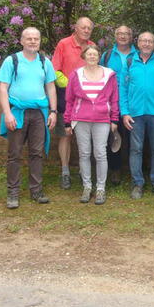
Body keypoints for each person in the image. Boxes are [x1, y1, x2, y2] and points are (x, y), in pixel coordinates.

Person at [0, 27, 57, 209]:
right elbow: (2, 88)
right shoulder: (11, 61)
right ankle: (13, 193)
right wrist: (7, 113)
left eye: (36, 39)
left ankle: (36, 191)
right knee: (14, 155)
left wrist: (53, 111)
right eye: (29, 38)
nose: (32, 41)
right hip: (17, 112)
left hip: (39, 113)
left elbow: (51, 87)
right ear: (21, 41)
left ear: (39, 41)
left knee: (37, 153)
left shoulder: (45, 62)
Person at [64, 45, 120, 205]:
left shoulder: (109, 75)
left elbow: (114, 99)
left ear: (99, 56)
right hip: (81, 119)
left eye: (95, 54)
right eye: (89, 54)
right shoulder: (76, 75)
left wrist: (114, 119)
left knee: (100, 153)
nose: (92, 57)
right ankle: (87, 186)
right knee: (84, 153)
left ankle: (101, 188)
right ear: (84, 56)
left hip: (102, 119)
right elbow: (69, 100)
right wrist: (67, 121)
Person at [120, 31, 154, 199]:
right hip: (135, 114)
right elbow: (123, 89)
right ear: (138, 43)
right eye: (144, 41)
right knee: (136, 149)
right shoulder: (129, 62)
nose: (147, 44)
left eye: (150, 41)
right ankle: (137, 183)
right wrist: (124, 112)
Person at [51, 17, 95, 190]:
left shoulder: (92, 47)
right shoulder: (63, 44)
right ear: (75, 28)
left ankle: (86, 172)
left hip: (88, 100)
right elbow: (55, 71)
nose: (86, 31)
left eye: (89, 28)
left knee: (87, 136)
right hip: (67, 97)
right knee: (65, 135)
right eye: (83, 27)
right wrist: (71, 86)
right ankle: (65, 172)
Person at [100, 25, 137, 186]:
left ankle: (135, 171)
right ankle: (115, 170)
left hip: (133, 103)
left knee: (135, 139)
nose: (123, 36)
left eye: (126, 33)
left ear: (131, 37)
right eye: (120, 34)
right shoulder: (107, 56)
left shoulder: (138, 54)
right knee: (113, 137)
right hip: (111, 103)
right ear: (115, 36)